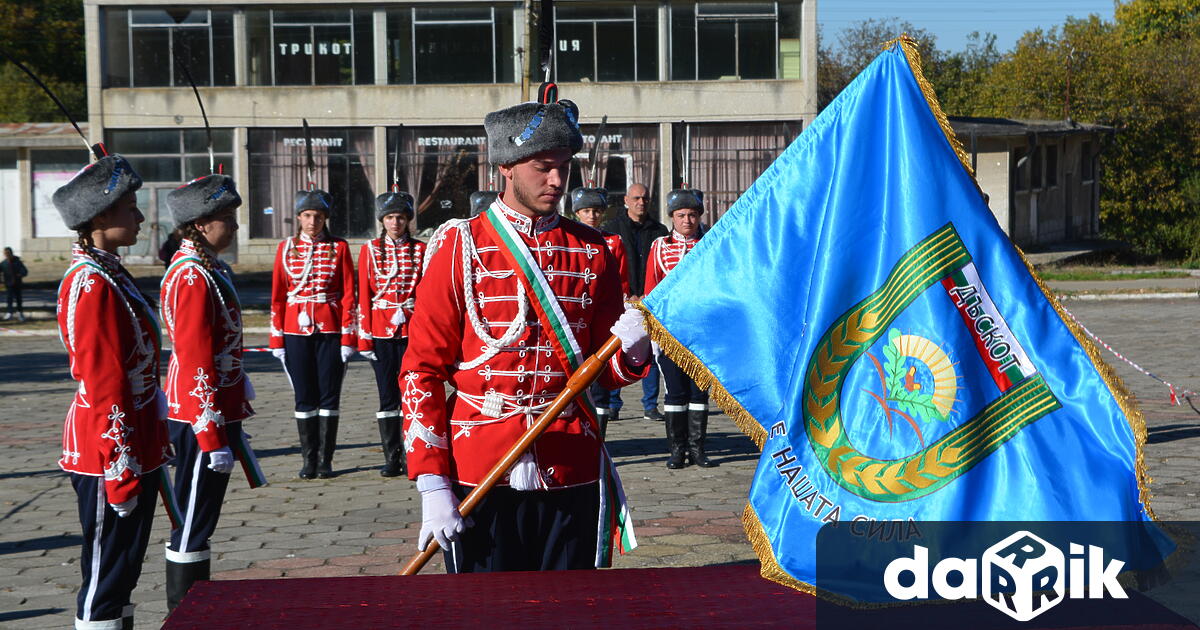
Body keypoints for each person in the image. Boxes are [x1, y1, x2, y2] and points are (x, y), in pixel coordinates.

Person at [402, 96, 652, 573]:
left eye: (564, 166)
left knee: (570, 612)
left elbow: (608, 371)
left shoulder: (594, 249)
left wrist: (636, 346)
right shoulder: (460, 246)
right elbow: (422, 370)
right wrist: (432, 482)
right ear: (506, 167)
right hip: (481, 471)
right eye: (543, 167)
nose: (558, 181)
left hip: (571, 463)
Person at [53, 154, 171, 630]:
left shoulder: (109, 272)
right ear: (99, 218)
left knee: (123, 573)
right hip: (107, 448)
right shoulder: (94, 283)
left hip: (132, 439)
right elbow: (105, 384)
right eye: (130, 208)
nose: (141, 217)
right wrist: (120, 467)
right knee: (105, 576)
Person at [160, 174, 262, 610]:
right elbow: (196, 356)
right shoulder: (192, 277)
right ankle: (183, 606)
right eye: (227, 219)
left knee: (200, 516)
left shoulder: (207, 269)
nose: (235, 227)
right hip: (201, 414)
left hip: (216, 407)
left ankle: (191, 600)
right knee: (193, 520)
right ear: (201, 224)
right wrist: (210, 433)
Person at [269, 189, 357, 479]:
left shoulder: (339, 248)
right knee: (304, 395)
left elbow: (348, 295)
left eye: (318, 216)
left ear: (325, 219)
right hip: (295, 330)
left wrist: (348, 338)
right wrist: (276, 339)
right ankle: (308, 459)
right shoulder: (285, 249)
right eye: (307, 216)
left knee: (329, 394)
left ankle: (325, 460)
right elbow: (278, 297)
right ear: (298, 218)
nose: (312, 222)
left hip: (329, 328)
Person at [644, 188, 715, 469]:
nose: (687, 220)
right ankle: (676, 450)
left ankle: (698, 449)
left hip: (702, 332)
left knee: (700, 392)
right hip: (671, 331)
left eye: (693, 215)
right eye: (681, 215)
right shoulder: (659, 247)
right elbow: (651, 288)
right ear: (672, 217)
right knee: (675, 391)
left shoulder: (711, 244)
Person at [358, 190, 425, 478]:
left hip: (412, 329)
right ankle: (392, 457)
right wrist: (364, 337)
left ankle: (413, 455)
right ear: (382, 221)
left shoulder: (421, 250)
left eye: (400, 217)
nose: (395, 223)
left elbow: (426, 294)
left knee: (412, 394)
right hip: (382, 330)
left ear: (408, 220)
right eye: (389, 218)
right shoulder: (369, 250)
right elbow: (363, 295)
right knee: (387, 396)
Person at [601, 183, 668, 421]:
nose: (642, 202)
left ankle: (650, 405)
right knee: (619, 347)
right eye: (637, 198)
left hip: (650, 299)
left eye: (646, 198)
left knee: (649, 349)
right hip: (623, 299)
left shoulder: (660, 231)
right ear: (626, 201)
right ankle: (612, 403)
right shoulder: (612, 229)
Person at [572, 186, 631, 435]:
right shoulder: (572, 239)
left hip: (603, 311)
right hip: (578, 312)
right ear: (577, 214)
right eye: (587, 211)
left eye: (596, 211)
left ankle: (600, 431)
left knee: (601, 372)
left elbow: (621, 279)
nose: (592, 216)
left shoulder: (612, 241)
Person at [1, 246, 28, 321]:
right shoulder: (3, 263)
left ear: (11, 253)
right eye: (5, 254)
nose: (7, 255)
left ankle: (20, 313)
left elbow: (25, 271)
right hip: (8, 284)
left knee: (18, 299)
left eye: (8, 253)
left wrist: (20, 274)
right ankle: (9, 313)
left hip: (17, 284)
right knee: (9, 299)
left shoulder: (17, 262)